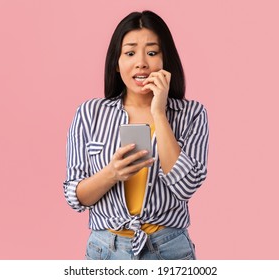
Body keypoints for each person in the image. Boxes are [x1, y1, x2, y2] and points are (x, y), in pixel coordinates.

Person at [63, 10, 209, 260]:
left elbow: (186, 186)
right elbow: (75, 197)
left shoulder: (192, 113)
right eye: (130, 53)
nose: (141, 62)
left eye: (152, 52)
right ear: (117, 64)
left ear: (166, 61)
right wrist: (112, 173)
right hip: (105, 251)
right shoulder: (90, 112)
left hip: (168, 250)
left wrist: (159, 114)